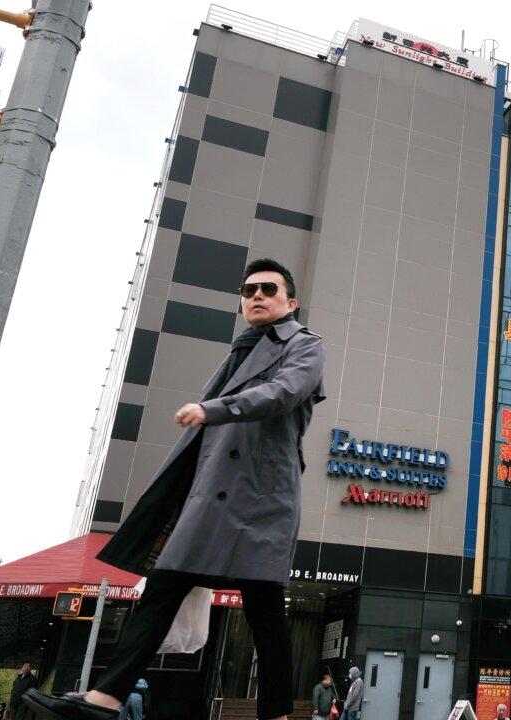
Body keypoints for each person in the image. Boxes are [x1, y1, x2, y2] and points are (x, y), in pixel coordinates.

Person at [25, 259, 326, 720]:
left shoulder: (305, 345)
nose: (257, 296)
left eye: (269, 288)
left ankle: (276, 714)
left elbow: (284, 393)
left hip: (260, 499)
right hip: (211, 498)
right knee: (162, 587)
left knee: (265, 613)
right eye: (248, 290)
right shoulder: (240, 351)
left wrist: (214, 408)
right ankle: (105, 700)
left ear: (291, 301)